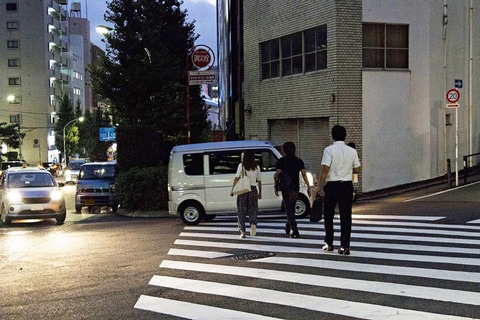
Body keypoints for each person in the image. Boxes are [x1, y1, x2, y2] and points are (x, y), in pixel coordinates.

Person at [316, 125, 361, 255]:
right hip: (347, 185)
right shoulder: (352, 151)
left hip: (332, 186)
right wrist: (346, 170)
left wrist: (319, 186)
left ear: (333, 135)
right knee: (346, 216)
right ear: (345, 136)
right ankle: (345, 246)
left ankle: (329, 243)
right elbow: (358, 169)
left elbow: (325, 169)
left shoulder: (329, 150)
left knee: (328, 215)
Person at [274, 141, 311, 238]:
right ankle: (288, 226)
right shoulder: (299, 161)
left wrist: (275, 186)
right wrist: (308, 187)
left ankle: (295, 230)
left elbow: (277, 175)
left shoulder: (281, 161)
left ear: (284, 150)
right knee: (291, 208)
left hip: (285, 188)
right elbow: (304, 174)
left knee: (289, 209)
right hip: (295, 187)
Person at [230, 150, 262, 238]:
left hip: (243, 190)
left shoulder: (241, 166)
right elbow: (259, 180)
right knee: (253, 208)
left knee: (241, 211)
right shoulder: (257, 167)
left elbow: (236, 178)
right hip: (253, 189)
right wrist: (260, 193)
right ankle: (253, 223)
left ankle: (243, 232)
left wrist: (232, 190)